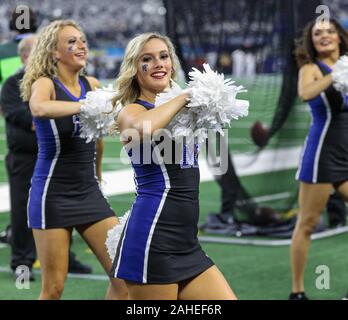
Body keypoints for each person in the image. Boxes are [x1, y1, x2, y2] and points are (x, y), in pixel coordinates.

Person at [110, 32, 236, 300]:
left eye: (163, 56)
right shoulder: (132, 111)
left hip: (186, 240)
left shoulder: (181, 112)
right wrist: (184, 97)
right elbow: (142, 129)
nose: (158, 63)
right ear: (134, 68)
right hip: (154, 237)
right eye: (147, 59)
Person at [20, 20, 127, 300]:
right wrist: (85, 106)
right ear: (54, 52)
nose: (81, 45)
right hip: (53, 195)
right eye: (71, 41)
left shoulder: (91, 84)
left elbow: (100, 136)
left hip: (89, 193)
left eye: (82, 40)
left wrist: (98, 173)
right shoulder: (45, 84)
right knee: (54, 289)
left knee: (125, 275)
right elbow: (39, 108)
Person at [0, 35, 93, 281]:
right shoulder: (13, 83)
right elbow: (23, 117)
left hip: (57, 157)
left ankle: (67, 259)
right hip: (25, 158)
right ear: (24, 57)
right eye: (38, 50)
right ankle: (22, 263)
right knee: (22, 211)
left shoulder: (56, 82)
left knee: (62, 211)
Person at [290, 19, 348, 300]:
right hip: (322, 155)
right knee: (308, 223)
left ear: (339, 36)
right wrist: (337, 73)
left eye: (329, 31)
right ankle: (297, 292)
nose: (324, 36)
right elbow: (306, 93)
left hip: (347, 155)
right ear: (312, 41)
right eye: (317, 33)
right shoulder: (311, 69)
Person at [0, 6, 37, 85]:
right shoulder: (48, 48)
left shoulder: (1, 51)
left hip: (9, 95)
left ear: (11, 25)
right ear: (34, 25)